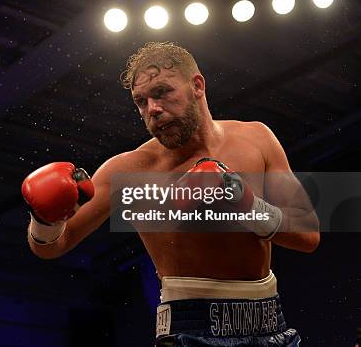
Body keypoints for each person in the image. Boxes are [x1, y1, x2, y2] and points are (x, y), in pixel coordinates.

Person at [22, 42, 319, 346]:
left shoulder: (257, 138)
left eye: (162, 92)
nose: (152, 109)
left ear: (197, 85)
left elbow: (308, 235)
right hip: (190, 330)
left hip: (272, 325)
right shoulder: (128, 171)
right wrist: (44, 219)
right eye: (141, 101)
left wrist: (245, 204)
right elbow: (52, 246)